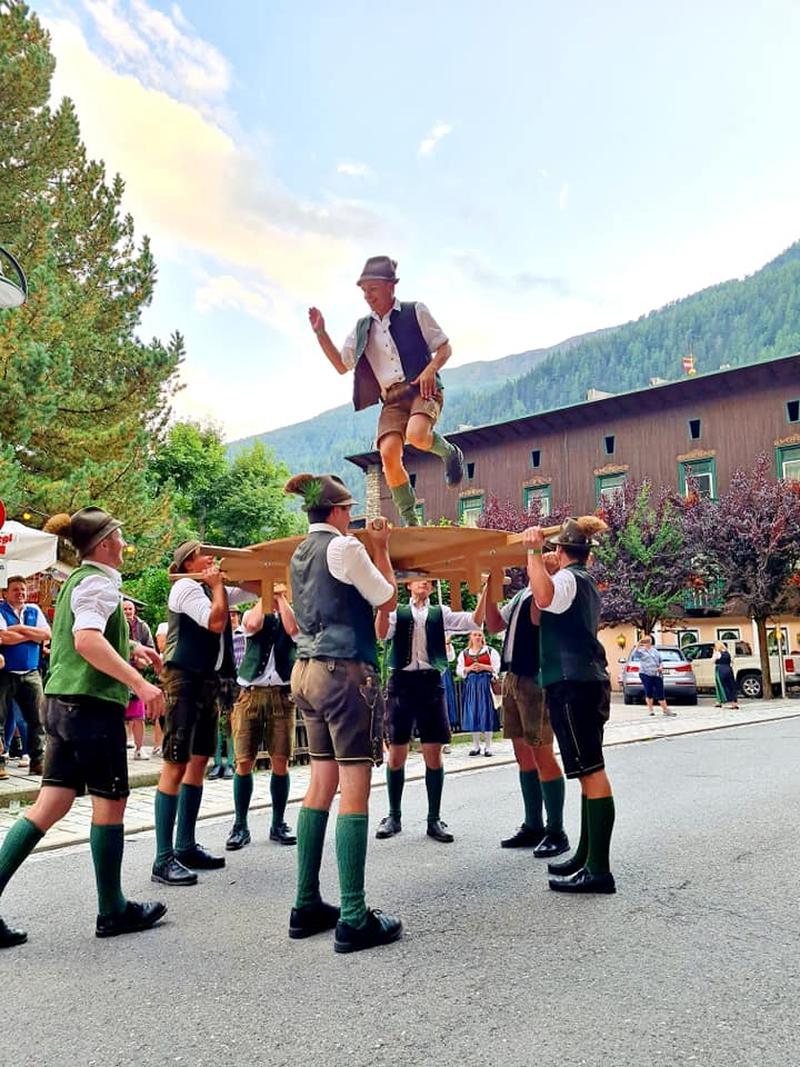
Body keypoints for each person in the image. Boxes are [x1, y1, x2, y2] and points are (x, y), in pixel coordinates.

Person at [0, 507, 167, 948]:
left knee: (50, 804)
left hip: (61, 703)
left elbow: (82, 635)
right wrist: (139, 685)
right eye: (121, 537)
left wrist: (132, 647)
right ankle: (112, 910)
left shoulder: (78, 580)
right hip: (91, 708)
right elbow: (86, 640)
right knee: (112, 800)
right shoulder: (97, 582)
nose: (125, 545)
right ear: (107, 542)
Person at [286, 472, 402, 954]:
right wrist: (380, 547)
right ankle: (353, 915)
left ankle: (306, 902)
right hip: (343, 673)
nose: (351, 518)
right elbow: (386, 596)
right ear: (336, 513)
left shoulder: (297, 553)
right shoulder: (344, 548)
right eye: (348, 511)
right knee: (355, 789)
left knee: (320, 784)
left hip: (306, 671)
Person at [308, 255, 464, 526]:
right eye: (364, 291)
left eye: (373, 289)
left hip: (421, 387)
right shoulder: (362, 328)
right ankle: (410, 519)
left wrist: (430, 369)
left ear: (391, 286)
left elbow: (445, 348)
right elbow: (340, 365)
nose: (368, 296)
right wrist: (321, 333)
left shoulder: (416, 311)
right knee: (388, 453)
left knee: (416, 435)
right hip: (391, 400)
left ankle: (450, 452)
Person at [151, 541, 259, 887]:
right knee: (176, 762)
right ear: (187, 563)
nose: (210, 557)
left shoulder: (213, 586)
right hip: (183, 678)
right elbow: (215, 622)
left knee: (199, 760)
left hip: (207, 680)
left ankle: (185, 845)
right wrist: (216, 585)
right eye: (203, 554)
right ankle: (163, 857)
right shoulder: (185, 586)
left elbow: (250, 589)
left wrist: (255, 569)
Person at [525, 519, 616, 894]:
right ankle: (586, 853)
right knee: (585, 771)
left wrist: (532, 552)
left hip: (572, 683)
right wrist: (541, 568)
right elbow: (538, 610)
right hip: (584, 681)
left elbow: (543, 600)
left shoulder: (567, 580)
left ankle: (598, 869)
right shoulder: (580, 580)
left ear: (561, 553)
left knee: (591, 772)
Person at [375, 579, 482, 844]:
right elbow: (380, 633)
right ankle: (393, 816)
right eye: (417, 580)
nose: (423, 584)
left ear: (432, 589)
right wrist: (380, 598)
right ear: (409, 585)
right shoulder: (395, 611)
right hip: (401, 682)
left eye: (427, 581)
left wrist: (486, 587)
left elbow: (475, 621)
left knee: (433, 753)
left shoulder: (440, 613)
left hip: (431, 682)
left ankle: (434, 819)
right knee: (397, 752)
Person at [480, 569, 570, 858]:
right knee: (523, 754)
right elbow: (493, 624)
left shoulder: (549, 592)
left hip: (537, 677)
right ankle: (533, 825)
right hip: (513, 677)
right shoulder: (521, 594)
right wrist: (491, 589)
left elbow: (537, 617)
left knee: (542, 752)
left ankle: (556, 831)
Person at [225, 591, 299, 851]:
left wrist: (281, 599)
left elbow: (293, 629)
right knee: (244, 761)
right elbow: (251, 625)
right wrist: (266, 596)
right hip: (250, 694)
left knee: (281, 760)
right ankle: (240, 824)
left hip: (282, 694)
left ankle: (278, 823)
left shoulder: (294, 613)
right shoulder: (251, 612)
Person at [0, 575, 50, 778]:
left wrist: (19, 629)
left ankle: (37, 761)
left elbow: (47, 634)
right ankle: (0, 762)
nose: (20, 593)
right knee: (0, 719)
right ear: (5, 593)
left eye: (23, 589)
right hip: (4, 673)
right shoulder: (0, 610)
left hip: (31, 672)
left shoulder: (34, 610)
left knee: (38, 718)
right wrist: (32, 635)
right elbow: (3, 637)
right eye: (15, 590)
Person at [457, 630, 500, 756]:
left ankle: (488, 747)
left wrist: (484, 667)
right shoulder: (464, 653)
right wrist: (469, 669)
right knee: (473, 713)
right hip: (472, 685)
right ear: (470, 636)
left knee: (486, 713)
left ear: (483, 637)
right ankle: (476, 746)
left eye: (480, 635)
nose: (477, 637)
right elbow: (459, 670)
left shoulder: (490, 651)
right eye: (475, 635)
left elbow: (497, 667)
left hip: (485, 685)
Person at [122, 600, 156, 758]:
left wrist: (145, 661)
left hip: (136, 672)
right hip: (118, 672)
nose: (128, 612)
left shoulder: (142, 627)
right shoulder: (115, 625)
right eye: (125, 609)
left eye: (130, 609)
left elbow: (150, 649)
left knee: (138, 714)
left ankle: (139, 748)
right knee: (118, 713)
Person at [635, 636, 676, 717]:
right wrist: (639, 643)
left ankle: (665, 710)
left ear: (651, 642)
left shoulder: (655, 651)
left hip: (656, 674)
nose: (646, 643)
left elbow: (660, 661)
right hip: (645, 674)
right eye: (645, 641)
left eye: (648, 641)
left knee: (660, 692)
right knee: (649, 691)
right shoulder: (641, 651)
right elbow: (635, 654)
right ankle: (651, 710)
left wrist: (661, 667)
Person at [713, 641, 739, 708]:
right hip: (728, 669)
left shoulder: (717, 653)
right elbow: (731, 661)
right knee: (731, 685)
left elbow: (713, 661)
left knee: (721, 685)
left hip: (720, 669)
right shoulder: (728, 653)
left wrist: (714, 653)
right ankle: (734, 702)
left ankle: (720, 701)